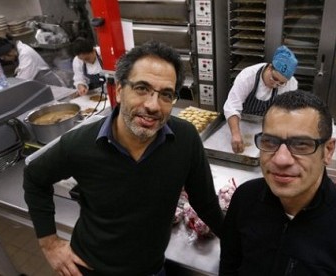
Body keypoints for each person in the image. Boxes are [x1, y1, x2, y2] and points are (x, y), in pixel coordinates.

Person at [23, 41, 224, 276]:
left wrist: (238, 243)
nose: (152, 105)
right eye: (141, 88)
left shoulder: (185, 139)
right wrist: (49, 243)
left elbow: (205, 202)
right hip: (91, 267)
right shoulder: (80, 144)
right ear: (119, 90)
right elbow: (35, 177)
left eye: (166, 95)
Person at [219, 91, 336, 275]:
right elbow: (229, 263)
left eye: (301, 145)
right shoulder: (245, 199)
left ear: (327, 151)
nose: (281, 159)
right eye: (270, 142)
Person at [223, 45, 298, 153]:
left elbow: (288, 112)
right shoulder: (248, 76)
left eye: (281, 83)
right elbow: (232, 106)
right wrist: (235, 134)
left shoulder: (291, 84)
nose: (276, 84)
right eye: (274, 78)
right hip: (243, 123)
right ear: (269, 67)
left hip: (269, 125)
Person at [0, 37, 64, 86]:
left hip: (51, 86)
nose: (3, 59)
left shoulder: (25, 55)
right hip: (40, 85)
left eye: (3, 57)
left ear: (10, 52)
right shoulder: (19, 50)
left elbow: (22, 82)